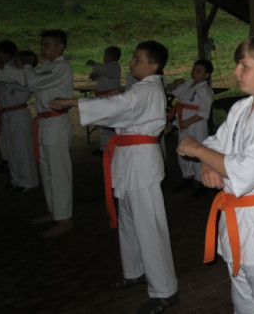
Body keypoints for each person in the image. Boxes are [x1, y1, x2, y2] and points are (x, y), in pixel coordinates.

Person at [177, 32, 254, 314]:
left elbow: (246, 169)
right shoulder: (241, 107)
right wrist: (207, 162)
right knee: (243, 303)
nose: (236, 72)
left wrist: (197, 150)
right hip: (238, 219)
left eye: (244, 65)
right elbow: (217, 144)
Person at [49, 41, 179, 314]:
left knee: (149, 225)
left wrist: (73, 102)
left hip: (141, 162)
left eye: (138, 59)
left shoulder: (146, 89)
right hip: (129, 159)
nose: (132, 62)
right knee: (129, 221)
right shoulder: (144, 88)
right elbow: (122, 109)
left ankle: (165, 291)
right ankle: (134, 271)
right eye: (133, 58)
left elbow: (119, 105)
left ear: (154, 65)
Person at [0, 29, 74, 237]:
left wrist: (27, 65)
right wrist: (5, 68)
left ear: (60, 47)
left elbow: (34, 82)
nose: (42, 48)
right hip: (43, 122)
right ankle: (54, 210)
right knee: (46, 170)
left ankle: (65, 218)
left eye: (46, 44)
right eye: (41, 44)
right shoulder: (46, 67)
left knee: (59, 172)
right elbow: (24, 78)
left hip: (56, 123)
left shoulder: (62, 67)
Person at [0, 49, 39, 192]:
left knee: (21, 149)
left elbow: (2, 81)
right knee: (11, 149)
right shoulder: (11, 75)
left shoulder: (26, 76)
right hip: (6, 114)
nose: (13, 63)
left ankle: (28, 181)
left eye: (17, 61)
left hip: (18, 114)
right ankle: (16, 179)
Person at [167, 59, 214, 198]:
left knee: (197, 152)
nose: (194, 73)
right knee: (182, 150)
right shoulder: (188, 84)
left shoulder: (205, 90)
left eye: (198, 71)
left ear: (206, 75)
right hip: (184, 123)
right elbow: (172, 91)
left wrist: (188, 121)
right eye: (194, 70)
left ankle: (202, 183)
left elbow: (203, 112)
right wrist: (175, 83)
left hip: (196, 125)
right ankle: (187, 177)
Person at [87, 45, 122, 155]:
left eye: (105, 55)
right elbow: (100, 74)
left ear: (110, 57)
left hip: (110, 98)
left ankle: (112, 148)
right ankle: (104, 147)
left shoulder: (114, 67)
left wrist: (94, 64)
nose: (104, 57)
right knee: (103, 124)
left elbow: (105, 71)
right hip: (103, 98)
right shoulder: (106, 68)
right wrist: (94, 75)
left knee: (110, 125)